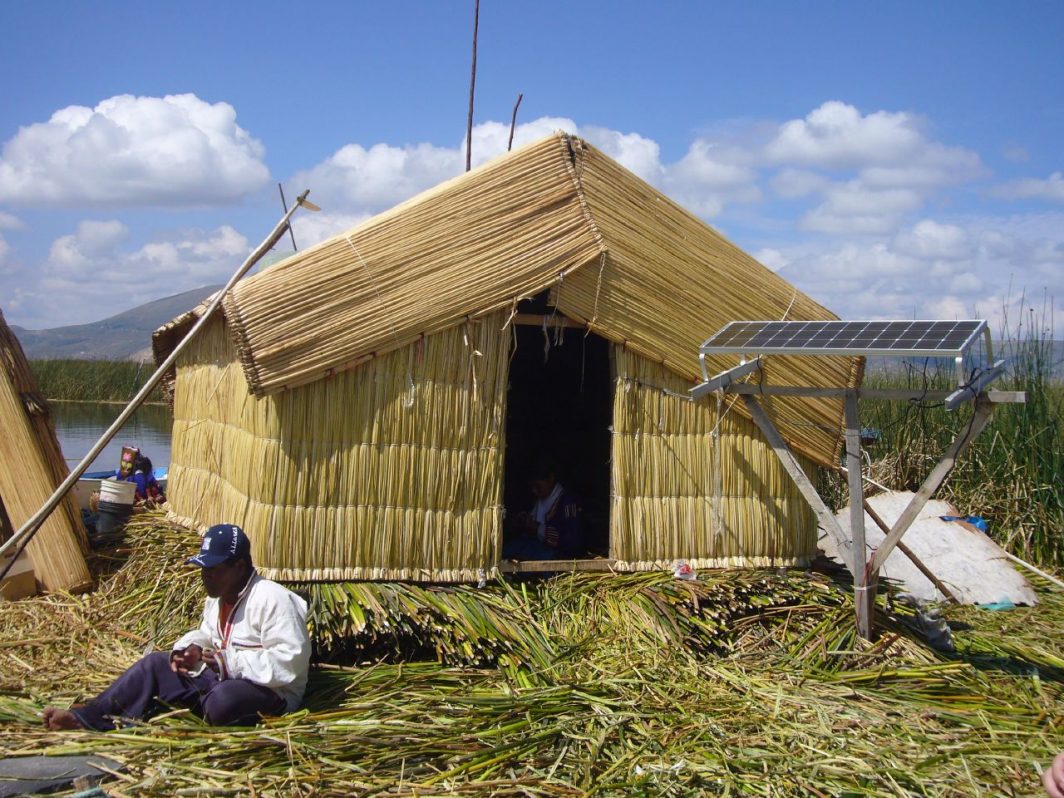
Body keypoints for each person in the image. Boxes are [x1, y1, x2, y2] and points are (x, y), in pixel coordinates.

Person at [42, 524, 310, 730]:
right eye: (203, 569)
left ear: (239, 567)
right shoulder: (218, 598)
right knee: (154, 665)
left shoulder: (273, 599)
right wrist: (190, 649)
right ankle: (86, 718)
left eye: (213, 570)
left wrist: (228, 662)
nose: (205, 577)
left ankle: (185, 704)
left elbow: (291, 661)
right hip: (218, 681)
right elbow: (207, 635)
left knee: (223, 701)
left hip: (270, 693)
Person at [503, 461, 584, 560]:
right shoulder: (539, 500)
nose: (534, 491)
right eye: (532, 487)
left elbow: (573, 541)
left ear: (551, 478)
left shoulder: (567, 502)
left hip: (558, 553)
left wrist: (538, 529)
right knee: (510, 548)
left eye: (537, 486)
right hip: (536, 545)